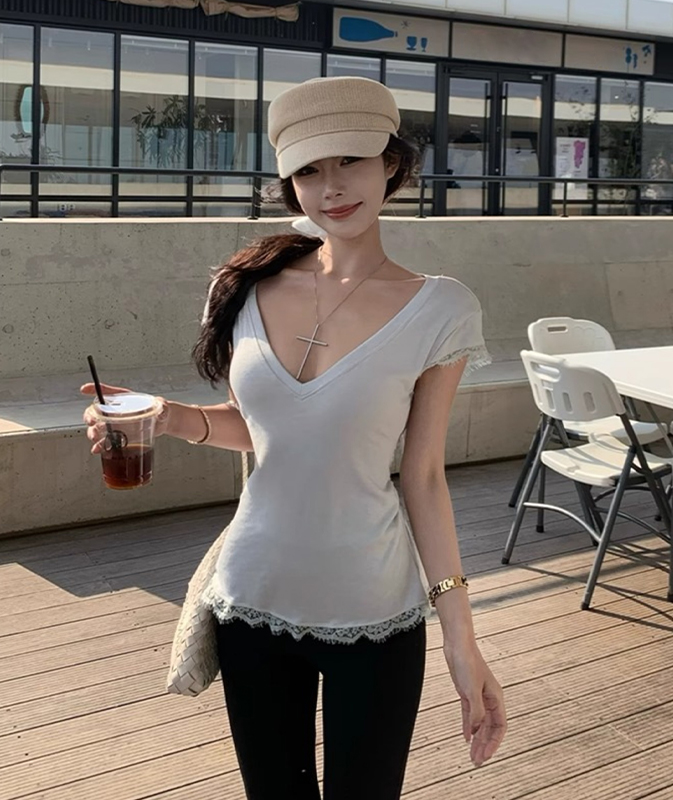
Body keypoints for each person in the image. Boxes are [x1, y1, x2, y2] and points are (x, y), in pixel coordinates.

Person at [81, 76, 507, 800]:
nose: (331, 187)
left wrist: (461, 641)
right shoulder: (243, 284)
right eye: (309, 170)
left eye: (350, 161)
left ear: (391, 165)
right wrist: (166, 416)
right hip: (252, 596)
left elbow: (424, 476)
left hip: (375, 607)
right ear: (288, 182)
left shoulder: (442, 308)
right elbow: (262, 429)